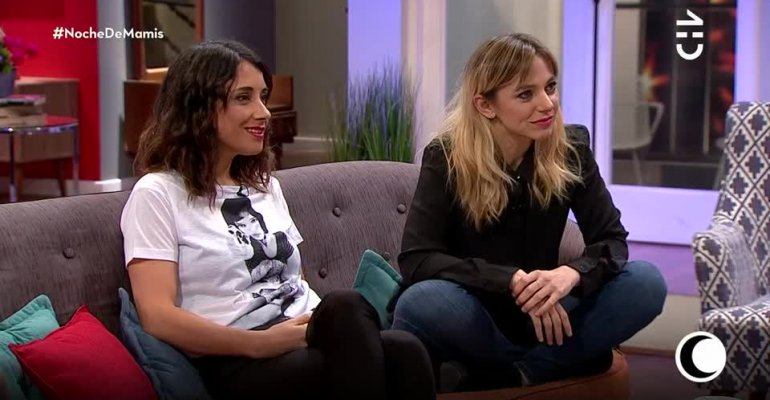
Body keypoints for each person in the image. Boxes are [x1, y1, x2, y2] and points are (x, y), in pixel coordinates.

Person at [121, 39, 435, 400]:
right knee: (347, 308)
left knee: (405, 351)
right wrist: (259, 344)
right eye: (244, 98)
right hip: (236, 358)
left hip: (304, 337)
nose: (264, 112)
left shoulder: (265, 186)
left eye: (263, 97)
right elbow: (157, 316)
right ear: (199, 108)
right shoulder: (158, 194)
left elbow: (292, 281)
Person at [390, 33, 667, 391]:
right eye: (526, 94)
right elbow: (418, 258)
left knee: (646, 282)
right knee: (419, 303)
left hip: (550, 311)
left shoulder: (571, 150)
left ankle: (520, 373)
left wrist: (570, 274)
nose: (547, 104)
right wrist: (511, 281)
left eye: (550, 87)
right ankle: (567, 358)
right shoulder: (446, 157)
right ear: (485, 105)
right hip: (475, 310)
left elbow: (612, 241)